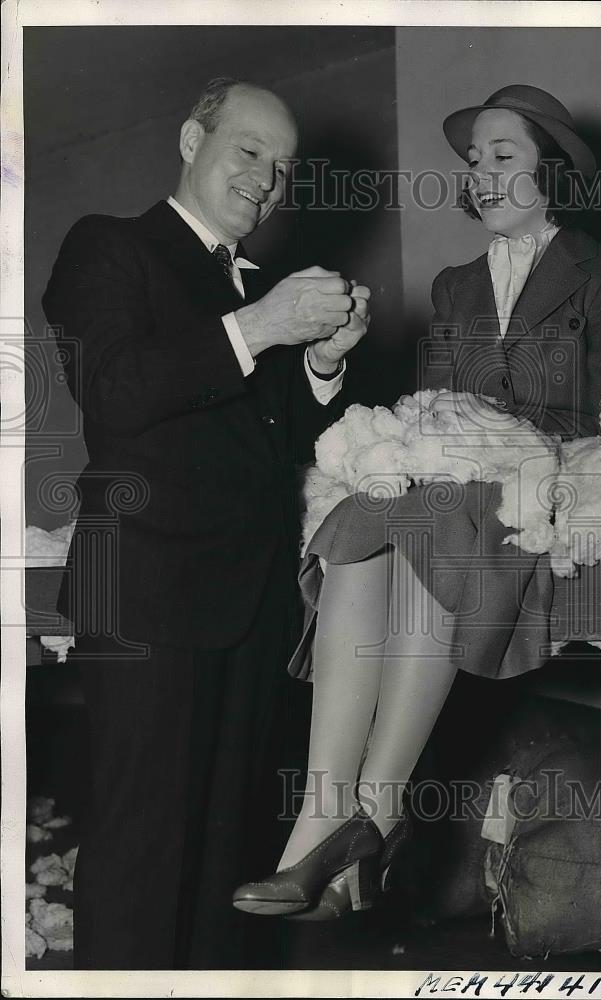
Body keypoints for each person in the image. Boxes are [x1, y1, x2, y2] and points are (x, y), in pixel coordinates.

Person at [232, 85, 601, 919]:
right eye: (475, 162)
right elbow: (433, 403)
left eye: (504, 156)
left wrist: (489, 436)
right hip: (454, 480)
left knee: (437, 512)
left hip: (546, 475)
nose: (483, 174)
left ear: (554, 170)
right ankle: (327, 816)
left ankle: (371, 812)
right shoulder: (454, 285)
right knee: (358, 520)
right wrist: (438, 435)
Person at [42, 77, 370, 969]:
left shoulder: (262, 288)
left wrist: (325, 370)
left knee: (227, 863)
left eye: (284, 167)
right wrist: (260, 325)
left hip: (250, 603)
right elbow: (113, 392)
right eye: (249, 150)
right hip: (145, 597)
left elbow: (275, 445)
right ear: (192, 139)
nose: (267, 180)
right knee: (143, 850)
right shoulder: (109, 249)